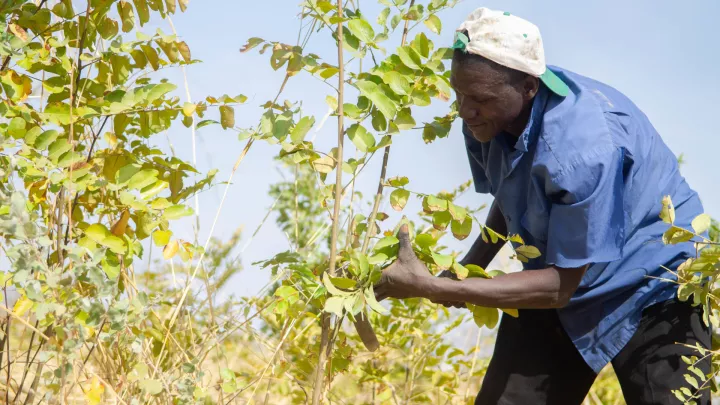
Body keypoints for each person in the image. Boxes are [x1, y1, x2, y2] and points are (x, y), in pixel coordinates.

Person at [373, 7, 711, 405]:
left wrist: (435, 286)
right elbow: (512, 191)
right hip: (559, 270)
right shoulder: (486, 114)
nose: (465, 111)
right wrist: (469, 267)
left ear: (529, 88)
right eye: (460, 93)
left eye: (478, 99)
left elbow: (559, 286)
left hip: (655, 281)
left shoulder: (582, 150)